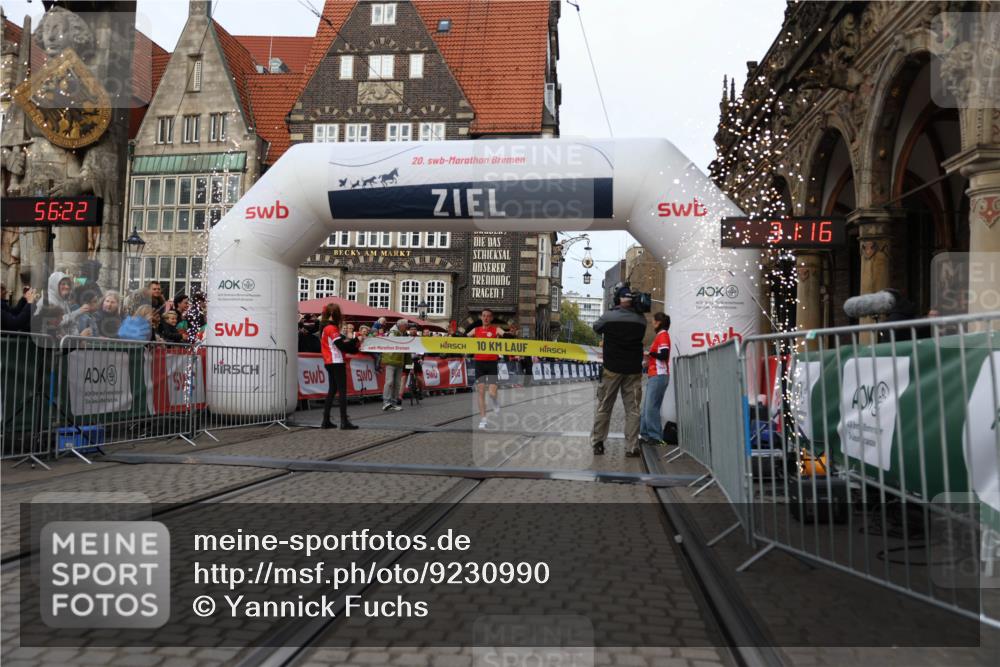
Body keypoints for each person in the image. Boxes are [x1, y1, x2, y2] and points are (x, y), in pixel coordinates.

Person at [591, 286, 648, 457]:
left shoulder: (609, 316)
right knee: (633, 409)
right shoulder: (641, 319)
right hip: (633, 370)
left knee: (604, 406)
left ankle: (598, 443)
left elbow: (596, 327)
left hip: (612, 369)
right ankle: (632, 447)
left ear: (618, 299)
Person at [319, 303, 359, 430]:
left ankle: (326, 420)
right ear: (334, 314)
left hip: (329, 361)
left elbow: (341, 343)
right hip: (336, 361)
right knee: (342, 392)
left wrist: (353, 343)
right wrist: (355, 342)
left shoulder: (325, 327)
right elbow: (341, 346)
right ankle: (344, 421)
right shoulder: (331, 328)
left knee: (332, 391)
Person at [468, 309, 504, 429]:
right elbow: (463, 339)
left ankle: (495, 402)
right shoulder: (476, 330)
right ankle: (483, 419)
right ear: (481, 317)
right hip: (479, 363)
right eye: (484, 316)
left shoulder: (496, 329)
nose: (486, 318)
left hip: (492, 363)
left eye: (488, 316)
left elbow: (507, 335)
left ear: (491, 318)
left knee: (492, 393)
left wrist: (511, 333)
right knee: (481, 392)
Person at [640, 313, 672, 445]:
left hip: (659, 375)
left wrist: (649, 353)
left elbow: (663, 355)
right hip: (655, 375)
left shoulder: (663, 335)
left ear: (658, 322)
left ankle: (655, 436)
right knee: (647, 407)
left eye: (653, 322)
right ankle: (646, 434)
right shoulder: (660, 336)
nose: (652, 324)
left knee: (651, 407)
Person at [380, 319, 410, 411]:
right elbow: (390, 343)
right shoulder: (393, 332)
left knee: (397, 383)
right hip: (391, 360)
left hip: (399, 361)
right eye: (406, 326)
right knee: (389, 382)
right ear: (402, 326)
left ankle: (393, 402)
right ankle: (386, 402)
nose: (406, 328)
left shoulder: (403, 334)